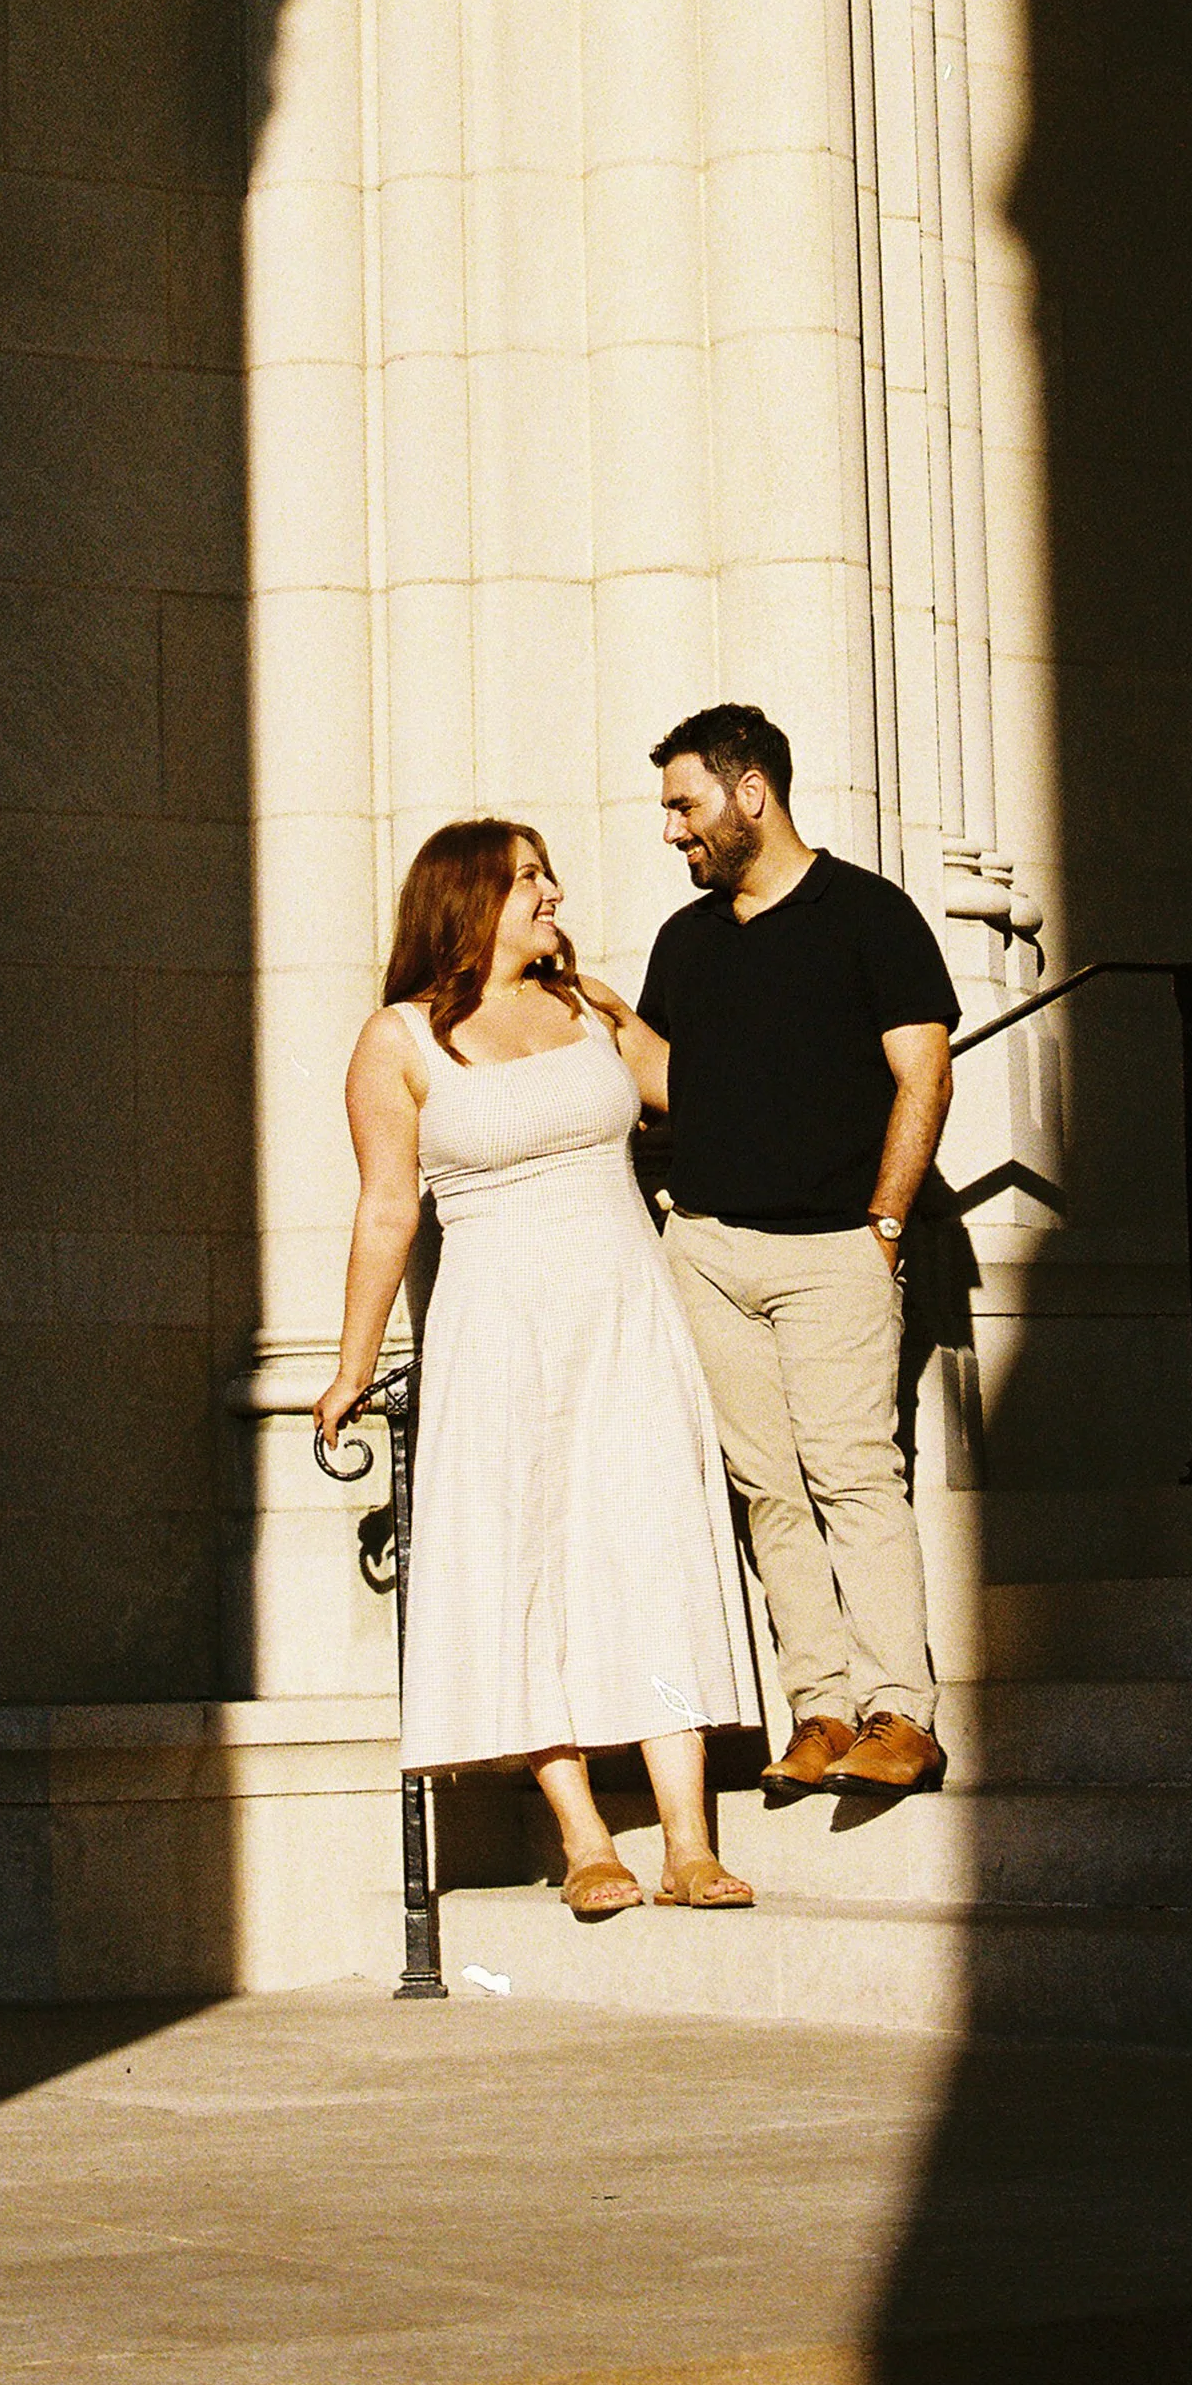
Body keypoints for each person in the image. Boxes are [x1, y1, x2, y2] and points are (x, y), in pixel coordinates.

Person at [315, 819, 763, 1916]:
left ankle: (689, 1839)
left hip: (623, 1316)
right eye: (527, 879)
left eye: (546, 872)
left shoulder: (587, 1004)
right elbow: (384, 1211)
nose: (552, 891)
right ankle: (583, 1834)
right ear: (466, 900)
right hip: (496, 1330)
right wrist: (349, 1366)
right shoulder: (398, 1040)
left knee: (653, 1554)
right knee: (526, 1566)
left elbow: (701, 1094)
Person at [639, 705, 958, 1798]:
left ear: (750, 793)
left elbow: (924, 1072)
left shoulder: (869, 914)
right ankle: (819, 1708)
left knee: (853, 1476)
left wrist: (882, 1222)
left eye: (685, 803)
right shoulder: (684, 940)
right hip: (711, 1250)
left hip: (834, 1246)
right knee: (766, 1488)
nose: (672, 830)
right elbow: (664, 1082)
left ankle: (899, 1715)